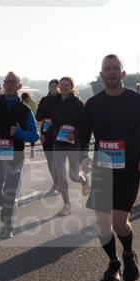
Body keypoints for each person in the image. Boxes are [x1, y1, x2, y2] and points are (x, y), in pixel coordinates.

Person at [78, 55, 140, 281]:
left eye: (116, 68)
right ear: (101, 74)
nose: (112, 72)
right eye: (108, 68)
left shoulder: (137, 100)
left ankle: (128, 253)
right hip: (102, 170)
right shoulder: (93, 104)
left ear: (123, 74)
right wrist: (82, 158)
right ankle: (113, 262)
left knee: (119, 222)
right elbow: (82, 136)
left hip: (129, 170)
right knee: (102, 225)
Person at [0, 72, 39, 238]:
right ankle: (7, 207)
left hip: (15, 157)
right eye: (7, 82)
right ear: (4, 85)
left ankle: (8, 226)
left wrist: (20, 132)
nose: (10, 84)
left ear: (19, 85)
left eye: (13, 82)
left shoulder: (25, 110)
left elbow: (35, 135)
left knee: (10, 192)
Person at [50, 77, 87, 217]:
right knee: (61, 175)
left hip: (73, 142)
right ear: (59, 86)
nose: (64, 87)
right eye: (62, 84)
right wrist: (48, 134)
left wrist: (75, 133)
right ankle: (67, 205)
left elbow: (84, 123)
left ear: (72, 87)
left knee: (73, 175)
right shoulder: (55, 101)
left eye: (67, 85)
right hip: (59, 141)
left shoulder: (77, 103)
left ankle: (83, 180)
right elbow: (49, 118)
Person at [35, 79, 61, 193]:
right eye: (52, 85)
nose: (54, 87)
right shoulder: (44, 100)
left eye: (56, 85)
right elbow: (38, 117)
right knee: (50, 160)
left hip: (59, 133)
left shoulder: (62, 99)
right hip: (46, 133)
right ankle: (56, 182)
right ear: (49, 87)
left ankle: (61, 182)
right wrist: (45, 113)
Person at [21, 91, 38, 158]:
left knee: (32, 136)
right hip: (23, 122)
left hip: (31, 121)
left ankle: (32, 150)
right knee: (23, 136)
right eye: (24, 99)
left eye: (26, 99)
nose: (25, 100)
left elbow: (35, 112)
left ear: (29, 97)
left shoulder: (33, 103)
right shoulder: (21, 103)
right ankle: (22, 151)